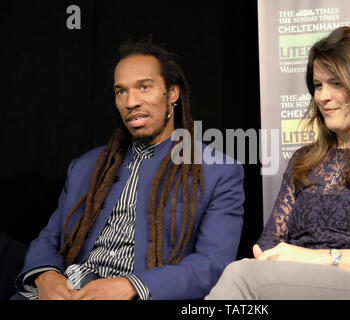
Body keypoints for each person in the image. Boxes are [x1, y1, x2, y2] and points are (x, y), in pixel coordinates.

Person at [205, 26, 350, 300]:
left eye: (336, 83)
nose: (322, 96)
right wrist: (268, 258)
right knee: (246, 272)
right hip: (300, 288)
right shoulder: (304, 161)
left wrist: (316, 258)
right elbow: (270, 241)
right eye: (318, 85)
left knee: (242, 276)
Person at [12, 37, 245, 300]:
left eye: (144, 87)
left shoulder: (218, 171)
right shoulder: (86, 167)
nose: (130, 101)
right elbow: (50, 238)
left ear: (172, 94)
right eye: (120, 91)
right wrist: (46, 277)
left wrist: (131, 285)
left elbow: (211, 265)